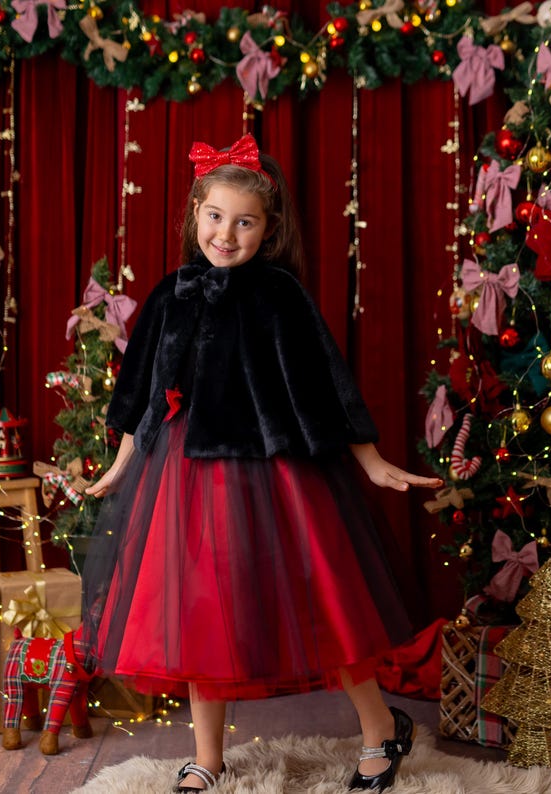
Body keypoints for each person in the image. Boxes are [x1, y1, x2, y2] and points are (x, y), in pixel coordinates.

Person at [81, 133, 443, 793]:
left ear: (267, 228)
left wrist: (368, 457)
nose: (227, 232)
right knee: (197, 612)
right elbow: (141, 388)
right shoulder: (171, 294)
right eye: (216, 216)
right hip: (188, 474)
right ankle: (208, 756)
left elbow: (326, 379)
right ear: (195, 214)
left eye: (244, 221)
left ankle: (379, 729)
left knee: (324, 600)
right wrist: (123, 463)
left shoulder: (278, 294)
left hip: (280, 473)